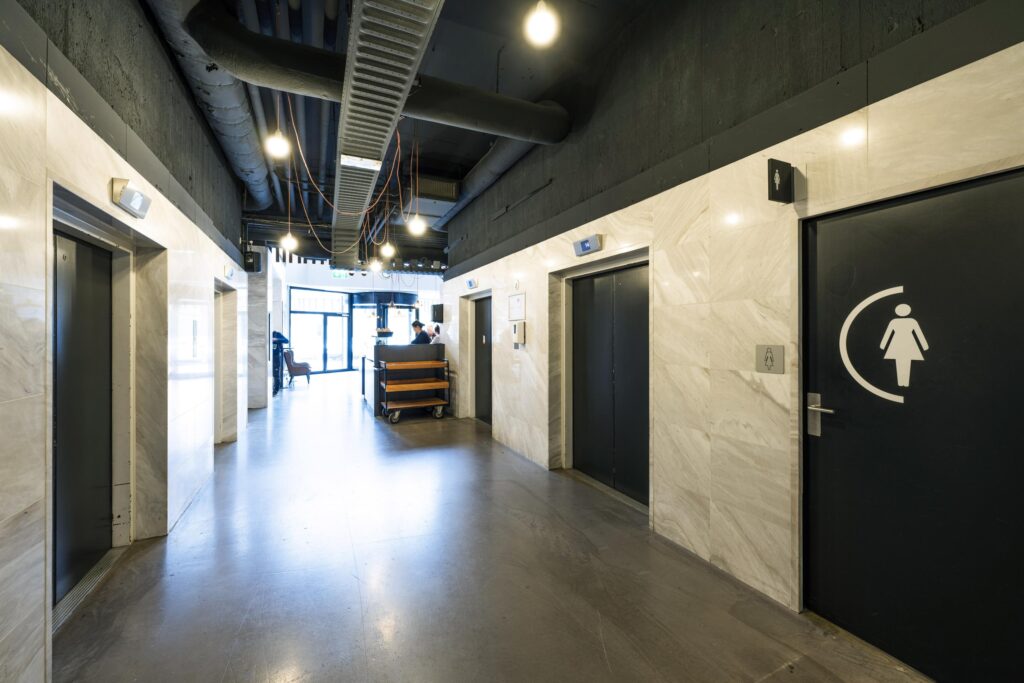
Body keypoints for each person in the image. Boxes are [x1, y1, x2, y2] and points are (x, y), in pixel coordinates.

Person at [880, 303, 929, 388]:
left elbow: (887, 334)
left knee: (901, 362)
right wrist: (924, 346)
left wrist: (883, 345)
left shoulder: (895, 321)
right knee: (905, 362)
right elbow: (919, 334)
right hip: (908, 343)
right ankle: (904, 383)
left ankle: (902, 382)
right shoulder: (911, 321)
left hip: (897, 343)